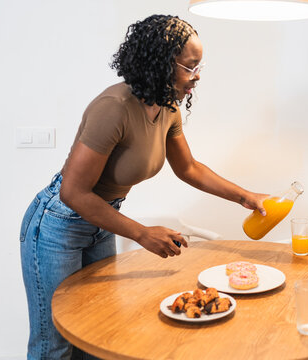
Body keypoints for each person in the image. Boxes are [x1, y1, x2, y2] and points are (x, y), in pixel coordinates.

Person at [19, 15, 267, 359]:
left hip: (101, 222)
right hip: (58, 225)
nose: (197, 76)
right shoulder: (114, 108)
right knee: (55, 345)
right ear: (164, 63)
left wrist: (246, 196)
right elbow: (72, 193)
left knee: (95, 332)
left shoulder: (167, 107)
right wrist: (141, 233)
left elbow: (189, 168)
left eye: (199, 66)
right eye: (190, 67)